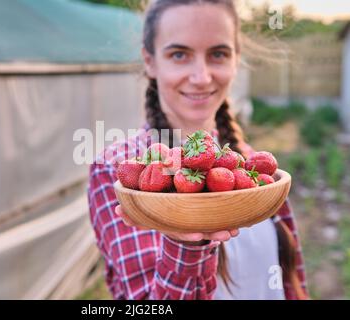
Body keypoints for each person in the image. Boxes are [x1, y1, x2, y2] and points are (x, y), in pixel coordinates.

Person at [87, 0, 308, 300]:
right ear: (150, 61)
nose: (202, 77)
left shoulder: (245, 161)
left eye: (218, 54)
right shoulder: (122, 172)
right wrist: (187, 246)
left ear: (236, 60)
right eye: (179, 54)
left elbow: (288, 279)